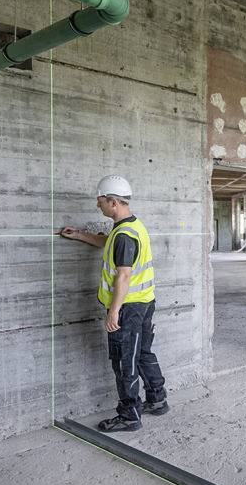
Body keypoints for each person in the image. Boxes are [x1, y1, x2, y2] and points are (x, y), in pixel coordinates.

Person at [61, 175, 169, 432]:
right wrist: (79, 235)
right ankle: (158, 399)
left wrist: (114, 311)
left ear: (113, 202)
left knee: (124, 360)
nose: (98, 206)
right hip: (144, 302)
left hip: (128, 307)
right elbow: (108, 243)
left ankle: (130, 414)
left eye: (100, 202)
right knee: (142, 353)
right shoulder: (131, 226)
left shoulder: (123, 235)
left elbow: (123, 275)